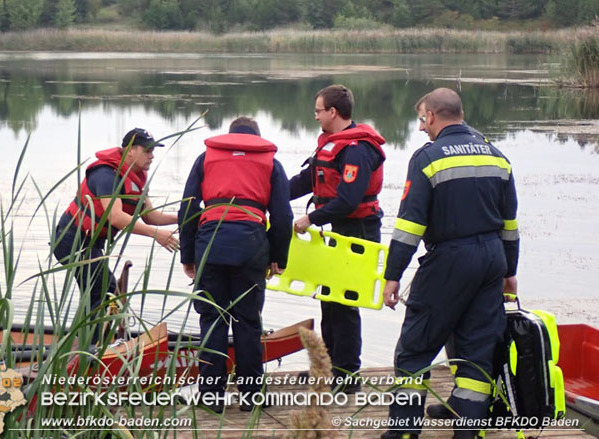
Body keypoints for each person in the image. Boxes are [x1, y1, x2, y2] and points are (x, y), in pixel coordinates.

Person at [380, 88, 519, 439]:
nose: (421, 126)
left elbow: (410, 226)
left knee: (415, 349)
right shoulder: (497, 156)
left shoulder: (428, 158)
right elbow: (510, 224)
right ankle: (467, 431)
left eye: (421, 118)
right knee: (476, 351)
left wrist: (393, 275)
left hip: (450, 259)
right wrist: (510, 271)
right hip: (491, 260)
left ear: (431, 115)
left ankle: (404, 431)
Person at [178, 117, 293, 413]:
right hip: (251, 246)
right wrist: (278, 257)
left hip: (210, 242)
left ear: (230, 136)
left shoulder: (206, 158)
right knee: (248, 322)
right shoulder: (270, 163)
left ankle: (211, 397)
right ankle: (251, 397)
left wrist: (188, 256)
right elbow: (283, 217)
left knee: (212, 320)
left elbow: (188, 208)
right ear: (256, 137)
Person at [289, 84, 386, 392]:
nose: (315, 116)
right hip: (337, 229)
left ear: (333, 112)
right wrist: (270, 194)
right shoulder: (330, 144)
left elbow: (347, 200)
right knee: (328, 297)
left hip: (358, 231)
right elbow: (309, 179)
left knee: (345, 302)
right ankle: (326, 367)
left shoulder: (357, 149)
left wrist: (309, 219)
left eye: (318, 111)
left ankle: (347, 375)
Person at [52, 128, 179, 344]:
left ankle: (92, 343)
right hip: (71, 240)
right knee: (104, 291)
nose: (152, 155)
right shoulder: (106, 174)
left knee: (105, 292)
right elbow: (116, 217)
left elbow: (150, 217)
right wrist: (157, 235)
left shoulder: (136, 177)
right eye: (147, 150)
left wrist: (186, 216)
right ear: (130, 150)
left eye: (153, 150)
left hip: (91, 243)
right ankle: (90, 352)